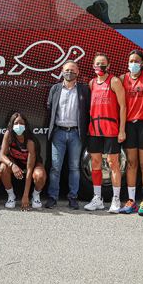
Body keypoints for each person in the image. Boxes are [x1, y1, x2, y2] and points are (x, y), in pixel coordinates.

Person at [84, 53, 126, 213]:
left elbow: (123, 106)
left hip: (111, 129)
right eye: (97, 64)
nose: (99, 66)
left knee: (113, 163)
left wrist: (122, 130)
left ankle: (116, 200)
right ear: (93, 66)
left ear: (108, 66)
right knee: (95, 163)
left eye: (103, 64)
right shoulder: (91, 83)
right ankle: (97, 198)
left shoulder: (114, 81)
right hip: (94, 129)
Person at [45, 60, 91, 210]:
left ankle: (73, 197)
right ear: (62, 71)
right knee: (55, 168)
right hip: (58, 132)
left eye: (72, 70)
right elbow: (49, 107)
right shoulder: (55, 89)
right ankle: (52, 198)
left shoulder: (84, 90)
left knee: (74, 167)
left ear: (77, 72)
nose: (69, 73)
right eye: (67, 70)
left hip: (76, 134)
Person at [119, 49, 143, 216]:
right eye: (131, 60)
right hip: (129, 125)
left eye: (137, 61)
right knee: (131, 164)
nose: (133, 63)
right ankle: (131, 200)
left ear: (142, 63)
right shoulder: (122, 79)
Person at [0, 112, 47, 210]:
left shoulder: (30, 141)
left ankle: (35, 195)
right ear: (11, 125)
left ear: (25, 125)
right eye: (16, 123)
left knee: (40, 175)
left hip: (32, 164)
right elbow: (1, 155)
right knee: (3, 167)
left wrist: (25, 196)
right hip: (16, 162)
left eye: (21, 123)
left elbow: (29, 170)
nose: (18, 126)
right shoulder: (8, 134)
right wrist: (12, 165)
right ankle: (11, 196)